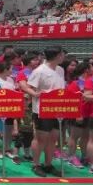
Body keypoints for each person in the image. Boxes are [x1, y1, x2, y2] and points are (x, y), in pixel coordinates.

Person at [20, 47, 66, 177]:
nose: (63, 57)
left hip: (58, 109)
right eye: (62, 54)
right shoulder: (39, 71)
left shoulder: (60, 70)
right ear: (57, 56)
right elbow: (28, 88)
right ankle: (36, 164)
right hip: (42, 109)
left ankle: (48, 164)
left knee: (53, 138)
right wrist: (35, 94)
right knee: (41, 138)